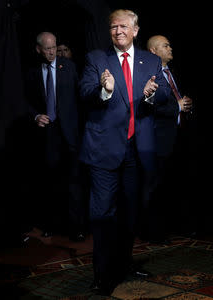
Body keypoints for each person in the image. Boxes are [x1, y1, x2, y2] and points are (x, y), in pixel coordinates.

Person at [79, 9, 170, 295]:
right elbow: (84, 92)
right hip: (104, 151)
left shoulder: (151, 61)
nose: (118, 31)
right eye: (113, 27)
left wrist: (153, 93)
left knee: (130, 214)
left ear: (135, 30)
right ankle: (103, 275)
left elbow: (165, 94)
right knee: (103, 215)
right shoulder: (96, 59)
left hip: (137, 151)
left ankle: (125, 263)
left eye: (123, 26)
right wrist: (104, 90)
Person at [23, 32, 86, 242]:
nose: (52, 52)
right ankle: (51, 224)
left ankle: (75, 227)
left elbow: (81, 98)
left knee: (74, 181)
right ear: (38, 49)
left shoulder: (69, 67)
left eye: (54, 47)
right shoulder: (31, 71)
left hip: (70, 133)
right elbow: (24, 101)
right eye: (47, 48)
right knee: (50, 181)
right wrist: (35, 115)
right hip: (47, 134)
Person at [145, 34, 197, 241]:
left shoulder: (172, 71)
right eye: (165, 45)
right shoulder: (150, 74)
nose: (170, 48)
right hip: (158, 139)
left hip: (178, 136)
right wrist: (176, 106)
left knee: (176, 184)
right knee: (156, 187)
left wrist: (186, 104)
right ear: (153, 51)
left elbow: (178, 99)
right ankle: (154, 232)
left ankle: (176, 226)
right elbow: (150, 105)